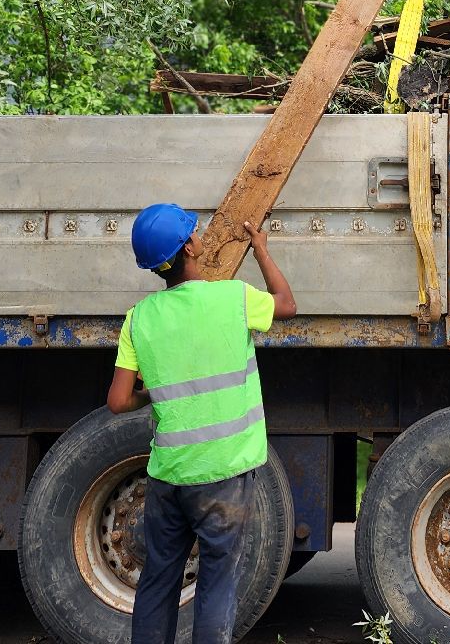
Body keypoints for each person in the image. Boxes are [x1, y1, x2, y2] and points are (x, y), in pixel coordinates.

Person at [108, 203, 297, 644]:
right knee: (216, 582)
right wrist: (262, 251)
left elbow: (118, 401)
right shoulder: (232, 298)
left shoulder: (139, 319)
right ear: (190, 246)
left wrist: (151, 394)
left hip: (169, 474)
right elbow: (286, 304)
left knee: (158, 581)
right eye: (194, 232)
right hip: (225, 473)